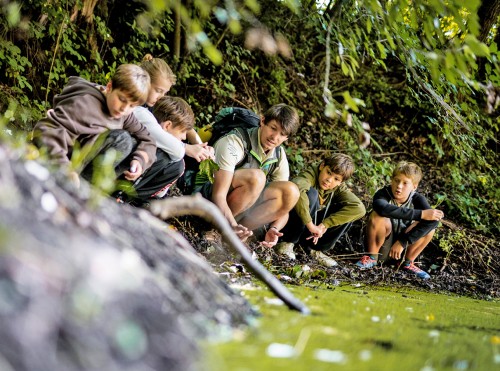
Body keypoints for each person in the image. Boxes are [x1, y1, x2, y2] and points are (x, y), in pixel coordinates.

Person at [194, 104, 301, 247]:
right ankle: (218, 231)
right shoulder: (235, 141)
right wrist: (231, 225)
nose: (275, 137)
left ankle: (240, 233)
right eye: (273, 128)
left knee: (291, 192)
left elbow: (284, 207)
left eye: (282, 134)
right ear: (262, 121)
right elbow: (218, 194)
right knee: (257, 178)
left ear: (286, 137)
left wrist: (274, 228)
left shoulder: (279, 156)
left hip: (237, 208)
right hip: (206, 196)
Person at [33, 64, 156, 187]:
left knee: (135, 145)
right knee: (122, 139)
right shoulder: (84, 103)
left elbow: (148, 138)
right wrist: (64, 169)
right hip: (61, 160)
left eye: (131, 106)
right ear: (109, 87)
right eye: (122, 99)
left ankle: (91, 188)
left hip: (81, 163)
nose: (124, 108)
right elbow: (48, 129)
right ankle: (81, 187)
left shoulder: (124, 114)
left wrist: (139, 161)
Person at [355, 161, 444, 279]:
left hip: (402, 251)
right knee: (377, 216)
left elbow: (434, 221)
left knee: (430, 228)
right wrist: (421, 214)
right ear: (391, 180)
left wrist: (403, 242)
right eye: (396, 180)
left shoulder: (417, 199)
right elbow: (382, 209)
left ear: (414, 186)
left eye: (405, 183)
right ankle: (371, 258)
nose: (399, 186)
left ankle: (407, 263)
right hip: (382, 250)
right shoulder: (383, 194)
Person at [274, 153, 366, 267]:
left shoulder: (337, 188)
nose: (329, 180)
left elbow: (359, 208)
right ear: (322, 166)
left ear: (340, 182)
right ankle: (286, 243)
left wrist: (323, 225)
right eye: (328, 173)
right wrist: (311, 225)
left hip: (312, 233)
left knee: (348, 211)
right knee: (311, 194)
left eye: (336, 179)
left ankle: (315, 250)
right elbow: (298, 187)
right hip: (291, 227)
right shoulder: (310, 175)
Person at [120, 96, 213, 205]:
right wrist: (186, 148)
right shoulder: (143, 118)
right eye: (182, 132)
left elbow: (161, 193)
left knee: (176, 164)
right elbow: (177, 152)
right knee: (166, 158)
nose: (184, 137)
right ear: (168, 125)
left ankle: (129, 199)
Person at [137, 54, 213, 162]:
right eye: (158, 91)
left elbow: (186, 126)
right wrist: (187, 148)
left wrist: (201, 147)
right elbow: (155, 134)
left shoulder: (154, 102)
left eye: (165, 92)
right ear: (143, 81)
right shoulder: (133, 106)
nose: (161, 97)